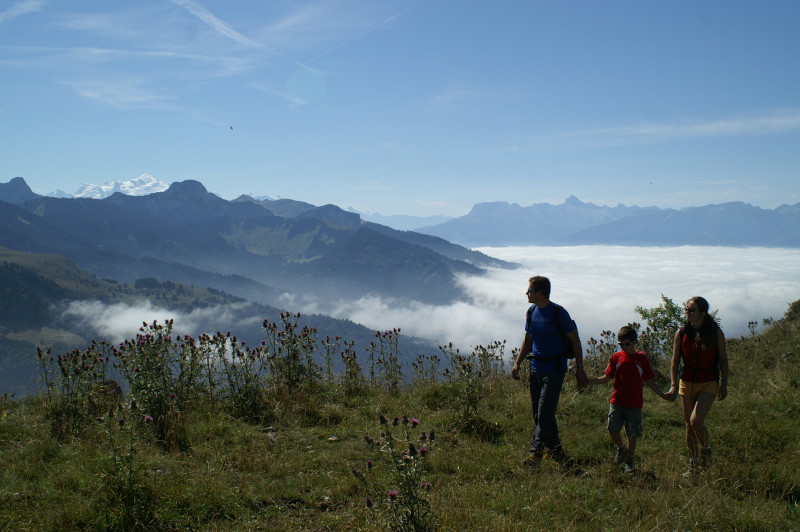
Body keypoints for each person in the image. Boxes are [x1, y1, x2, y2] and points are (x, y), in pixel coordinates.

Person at [512, 276, 588, 464]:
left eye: (529, 290)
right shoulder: (531, 312)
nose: (526, 293)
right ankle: (555, 450)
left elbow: (575, 340)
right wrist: (517, 363)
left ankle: (534, 454)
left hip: (555, 369)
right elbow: (528, 341)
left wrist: (580, 368)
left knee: (545, 413)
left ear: (539, 293)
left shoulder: (558, 313)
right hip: (535, 368)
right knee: (539, 414)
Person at [587, 325, 673, 473]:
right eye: (621, 344)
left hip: (634, 404)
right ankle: (622, 448)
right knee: (612, 429)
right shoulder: (616, 357)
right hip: (617, 401)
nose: (624, 347)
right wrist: (587, 381)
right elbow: (606, 378)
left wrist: (663, 394)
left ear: (635, 342)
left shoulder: (642, 358)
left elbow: (649, 380)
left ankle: (630, 461)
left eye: (627, 344)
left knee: (632, 433)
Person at [667, 296, 729, 477]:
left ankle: (706, 448)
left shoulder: (716, 333)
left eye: (692, 310)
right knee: (689, 425)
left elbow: (723, 361)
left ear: (703, 313)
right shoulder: (682, 332)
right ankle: (693, 465)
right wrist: (673, 384)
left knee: (695, 422)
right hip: (686, 382)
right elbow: (675, 360)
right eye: (687, 309)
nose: (688, 313)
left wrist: (724, 383)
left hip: (709, 382)